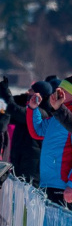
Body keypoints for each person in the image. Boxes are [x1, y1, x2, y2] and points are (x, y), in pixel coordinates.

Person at [27, 78, 72, 207]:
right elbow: (38, 131)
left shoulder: (66, 115)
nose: (59, 93)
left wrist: (71, 185)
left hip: (63, 185)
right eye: (58, 89)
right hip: (47, 182)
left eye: (64, 91)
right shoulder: (58, 114)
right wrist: (33, 108)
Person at [0, 78, 46, 186]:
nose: (28, 92)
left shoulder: (39, 113)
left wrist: (5, 91)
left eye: (31, 90)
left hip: (30, 167)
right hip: (21, 161)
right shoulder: (32, 108)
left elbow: (13, 109)